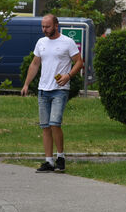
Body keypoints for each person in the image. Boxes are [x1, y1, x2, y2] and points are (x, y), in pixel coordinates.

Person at [21, 14, 83, 173]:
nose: (44, 29)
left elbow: (79, 62)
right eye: (42, 26)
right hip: (43, 90)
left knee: (55, 123)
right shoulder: (41, 42)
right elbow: (35, 64)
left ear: (56, 25)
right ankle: (48, 161)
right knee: (45, 126)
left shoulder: (67, 42)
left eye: (47, 26)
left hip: (60, 90)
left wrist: (68, 76)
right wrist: (26, 84)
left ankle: (60, 157)